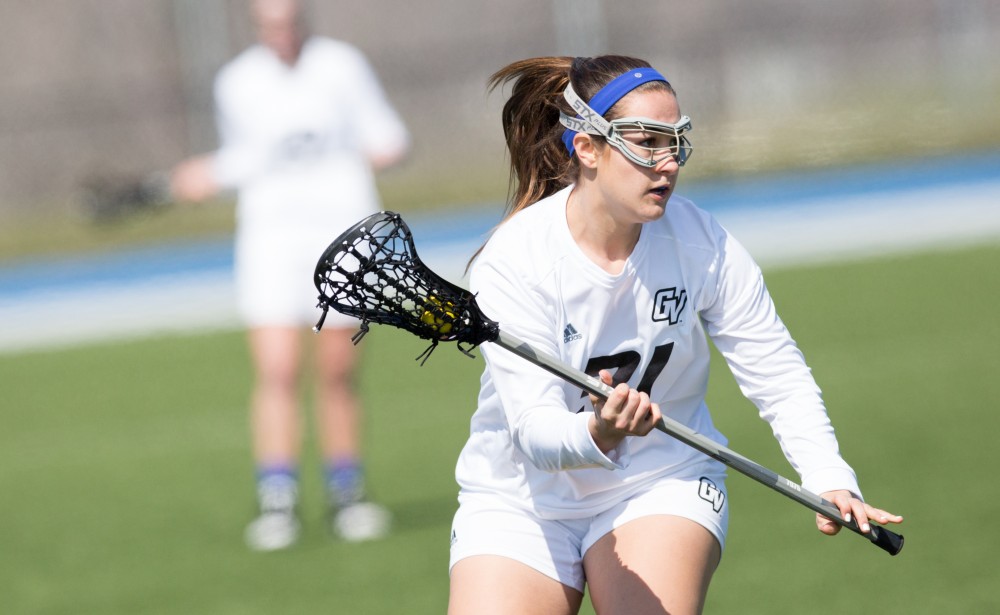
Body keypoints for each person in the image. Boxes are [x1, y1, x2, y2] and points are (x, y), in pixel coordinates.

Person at [447, 55, 903, 615]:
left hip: (659, 480)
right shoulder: (516, 259)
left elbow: (774, 367)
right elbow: (535, 432)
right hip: (520, 500)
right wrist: (600, 431)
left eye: (676, 142)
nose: (667, 164)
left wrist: (830, 474)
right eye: (646, 142)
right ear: (586, 148)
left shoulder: (702, 243)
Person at [169, 0, 409, 550]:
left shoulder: (341, 66)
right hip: (270, 238)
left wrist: (380, 150)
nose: (281, 33)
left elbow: (387, 135)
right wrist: (208, 173)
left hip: (340, 235)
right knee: (276, 368)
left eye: (288, 20)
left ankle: (347, 493)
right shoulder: (238, 81)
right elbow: (246, 158)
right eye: (268, 23)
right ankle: (278, 498)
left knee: (336, 369)